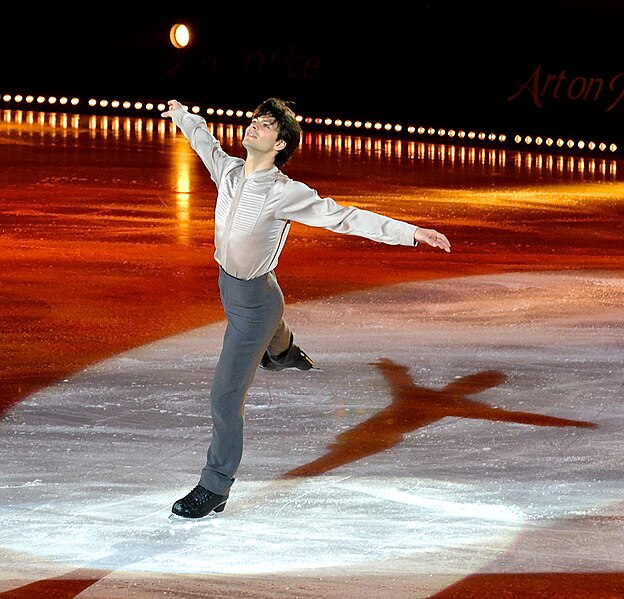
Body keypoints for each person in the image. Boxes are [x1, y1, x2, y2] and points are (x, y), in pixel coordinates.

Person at [161, 97, 451, 519]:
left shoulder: (285, 193)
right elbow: (204, 141)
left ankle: (215, 486)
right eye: (255, 120)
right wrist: (184, 117)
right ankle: (282, 351)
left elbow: (344, 217)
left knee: (225, 396)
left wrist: (410, 232)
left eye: (265, 125)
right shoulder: (228, 171)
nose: (254, 126)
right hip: (236, 289)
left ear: (280, 144)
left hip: (256, 303)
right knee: (267, 327)